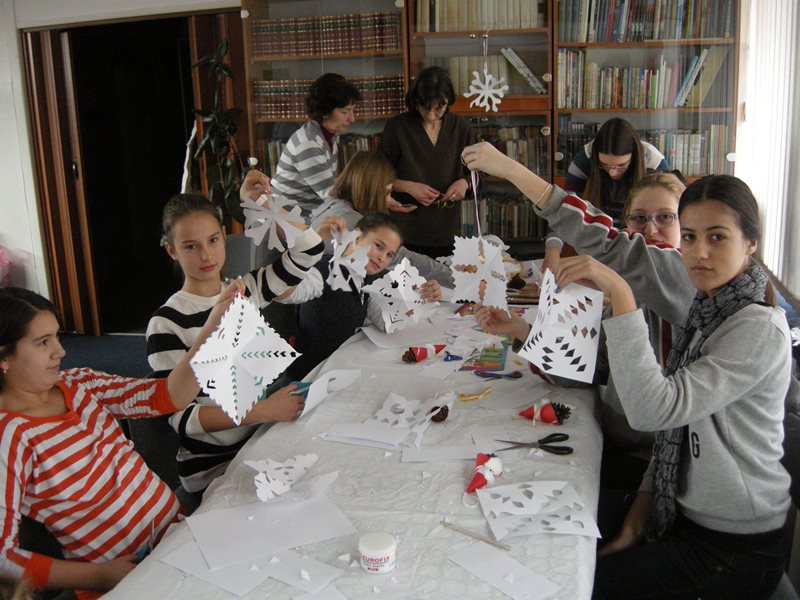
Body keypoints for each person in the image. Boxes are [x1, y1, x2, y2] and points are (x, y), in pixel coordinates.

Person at [463, 144, 791, 597]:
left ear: (751, 243)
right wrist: (639, 514)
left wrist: (620, 293)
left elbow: (655, 412)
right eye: (690, 236)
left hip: (731, 542)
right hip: (676, 503)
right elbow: (607, 379)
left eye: (716, 237)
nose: (698, 252)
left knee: (568, 580)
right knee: (535, 536)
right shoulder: (706, 310)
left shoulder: (750, 325)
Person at [0, 283, 240, 597]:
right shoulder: (9, 437)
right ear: (4, 357)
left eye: (57, 336)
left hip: (176, 537)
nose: (60, 351)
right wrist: (98, 576)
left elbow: (168, 395)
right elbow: (3, 559)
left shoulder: (77, 383)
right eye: (43, 342)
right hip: (127, 578)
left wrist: (213, 326)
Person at [146, 186, 338, 501]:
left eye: (213, 240)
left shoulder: (245, 289)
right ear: (172, 250)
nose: (206, 255)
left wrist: (264, 202)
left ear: (224, 236)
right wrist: (265, 410)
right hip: (213, 468)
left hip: (260, 441)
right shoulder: (166, 322)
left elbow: (309, 248)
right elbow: (183, 418)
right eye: (191, 246)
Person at [286, 212, 442, 381]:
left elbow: (386, 322)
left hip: (335, 372)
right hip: (306, 378)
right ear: (357, 235)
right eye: (379, 246)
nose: (382, 258)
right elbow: (285, 291)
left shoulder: (367, 278)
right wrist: (310, 246)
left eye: (389, 255)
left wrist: (421, 294)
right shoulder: (325, 270)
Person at [543, 118, 671, 271]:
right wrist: (553, 247)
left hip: (643, 236)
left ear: (634, 156)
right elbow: (565, 206)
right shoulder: (585, 157)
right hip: (604, 235)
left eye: (621, 165)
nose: (612, 173)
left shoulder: (654, 162)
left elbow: (668, 216)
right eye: (604, 165)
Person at [309, 150, 452, 286]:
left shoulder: (334, 204)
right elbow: (404, 261)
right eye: (387, 193)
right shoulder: (352, 222)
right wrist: (455, 278)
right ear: (374, 191)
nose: (389, 199)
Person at [378, 66, 477, 259]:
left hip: (447, 231)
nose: (431, 116)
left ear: (448, 102)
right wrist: (407, 186)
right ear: (415, 101)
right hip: (403, 232)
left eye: (439, 108)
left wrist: (465, 183)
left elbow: (479, 175)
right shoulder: (397, 127)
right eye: (425, 108)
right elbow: (377, 176)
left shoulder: (461, 128)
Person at [270, 73, 361, 217]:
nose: (352, 119)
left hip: (306, 216)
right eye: (345, 112)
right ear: (325, 111)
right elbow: (332, 196)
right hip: (287, 220)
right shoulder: (308, 144)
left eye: (352, 111)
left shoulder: (326, 137)